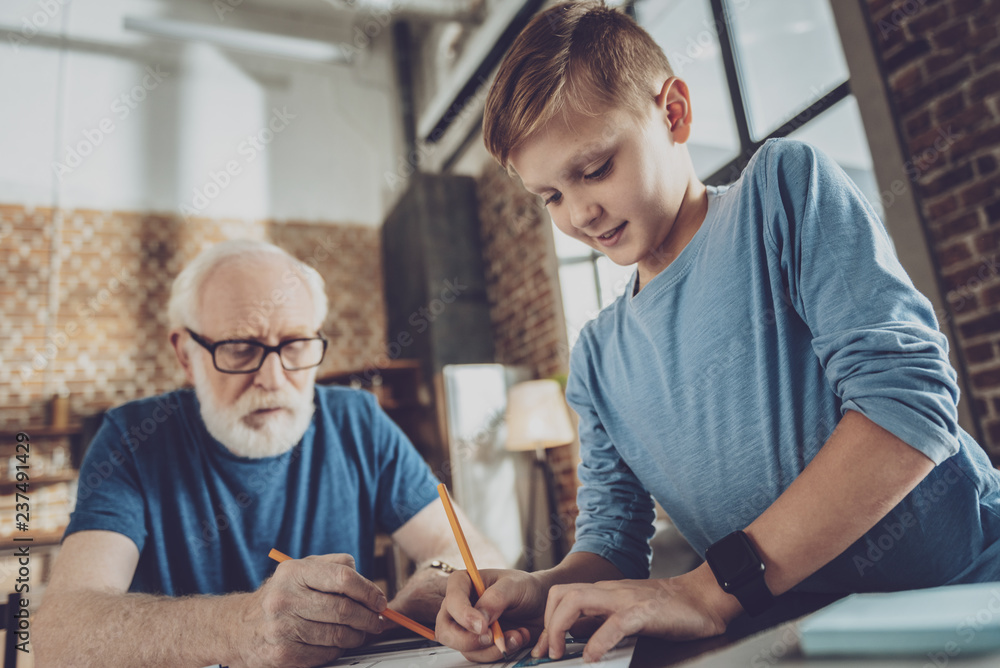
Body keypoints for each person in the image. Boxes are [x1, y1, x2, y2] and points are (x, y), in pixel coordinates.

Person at [436, 1, 1000, 663]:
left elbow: (908, 409)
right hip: (802, 639)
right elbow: (613, 544)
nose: (580, 214)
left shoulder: (782, 191)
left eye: (594, 170)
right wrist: (543, 588)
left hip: (966, 600)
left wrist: (713, 588)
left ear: (673, 112)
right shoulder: (596, 357)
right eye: (551, 197)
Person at [34, 239, 505, 668]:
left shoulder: (357, 421)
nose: (274, 379)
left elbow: (475, 551)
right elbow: (61, 637)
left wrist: (436, 581)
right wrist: (242, 626)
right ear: (186, 355)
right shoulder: (132, 438)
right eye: (240, 349)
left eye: (296, 345)